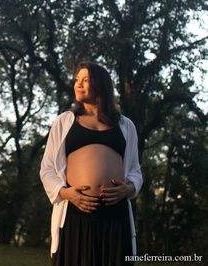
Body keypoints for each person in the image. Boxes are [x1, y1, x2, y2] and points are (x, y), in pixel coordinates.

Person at [40, 61, 143, 266]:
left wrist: (128, 189)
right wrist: (66, 193)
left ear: (101, 84)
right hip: (76, 217)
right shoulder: (64, 122)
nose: (78, 84)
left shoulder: (125, 125)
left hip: (115, 218)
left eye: (85, 80)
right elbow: (47, 169)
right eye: (77, 80)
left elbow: (135, 171)